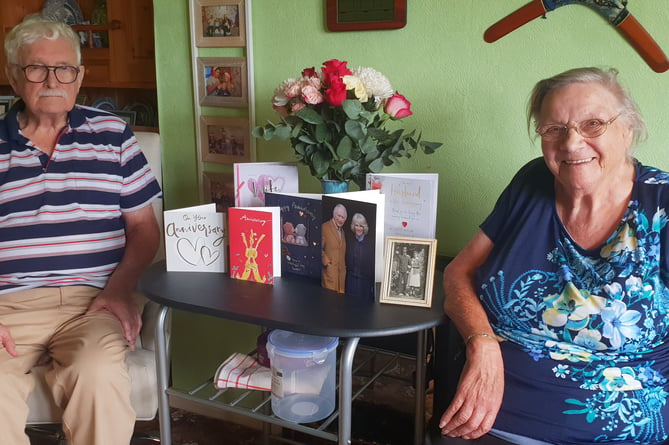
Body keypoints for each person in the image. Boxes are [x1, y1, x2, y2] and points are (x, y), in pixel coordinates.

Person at [438, 67, 669, 445]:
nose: (572, 143)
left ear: (627, 131)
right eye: (554, 129)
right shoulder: (532, 183)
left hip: (621, 433)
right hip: (487, 422)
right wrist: (482, 344)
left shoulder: (661, 205)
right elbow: (458, 272)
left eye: (593, 124)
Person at [0, 15, 161, 445]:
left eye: (64, 69)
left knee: (98, 375)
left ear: (80, 76)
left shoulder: (113, 136)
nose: (52, 80)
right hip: (8, 308)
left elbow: (145, 230)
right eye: (36, 68)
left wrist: (119, 289)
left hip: (92, 302)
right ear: (14, 76)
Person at [345, 212, 375, 300]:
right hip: (351, 281)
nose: (358, 228)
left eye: (361, 226)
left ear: (364, 227)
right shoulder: (348, 241)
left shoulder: (371, 244)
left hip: (364, 282)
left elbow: (373, 266)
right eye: (356, 225)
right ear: (353, 226)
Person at [322, 203, 347, 293]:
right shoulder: (325, 227)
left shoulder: (342, 231)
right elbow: (318, 248)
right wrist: (327, 263)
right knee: (329, 303)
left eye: (343, 217)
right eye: (338, 216)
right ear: (334, 214)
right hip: (329, 274)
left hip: (341, 276)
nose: (340, 219)